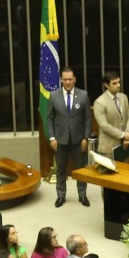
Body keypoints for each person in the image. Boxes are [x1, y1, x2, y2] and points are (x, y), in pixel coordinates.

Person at [46, 68, 91, 207]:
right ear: (61, 80)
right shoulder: (54, 96)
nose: (67, 82)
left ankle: (82, 195)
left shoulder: (83, 95)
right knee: (60, 170)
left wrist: (86, 138)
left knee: (80, 169)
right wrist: (52, 138)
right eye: (64, 79)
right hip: (60, 140)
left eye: (70, 79)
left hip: (79, 140)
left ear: (74, 79)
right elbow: (49, 119)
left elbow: (88, 119)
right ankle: (61, 196)